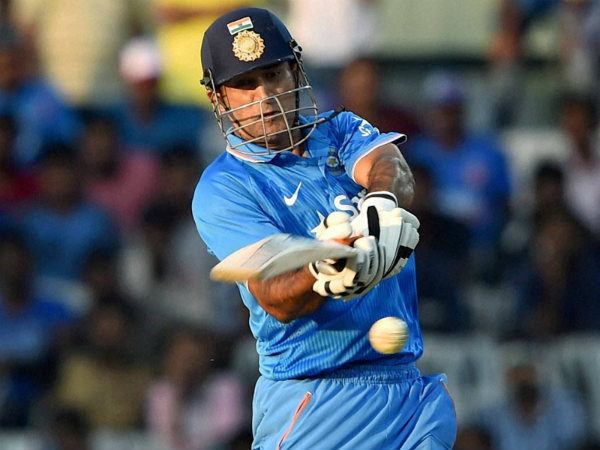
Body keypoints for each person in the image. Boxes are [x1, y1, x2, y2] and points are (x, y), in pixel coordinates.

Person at [192, 7, 457, 450]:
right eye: (246, 84)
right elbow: (274, 295)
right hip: (316, 397)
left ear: (296, 72)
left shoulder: (338, 128)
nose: (265, 95)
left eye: (273, 74)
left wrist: (380, 205)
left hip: (407, 391)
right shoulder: (223, 187)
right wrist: (326, 270)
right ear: (218, 99)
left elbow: (393, 168)